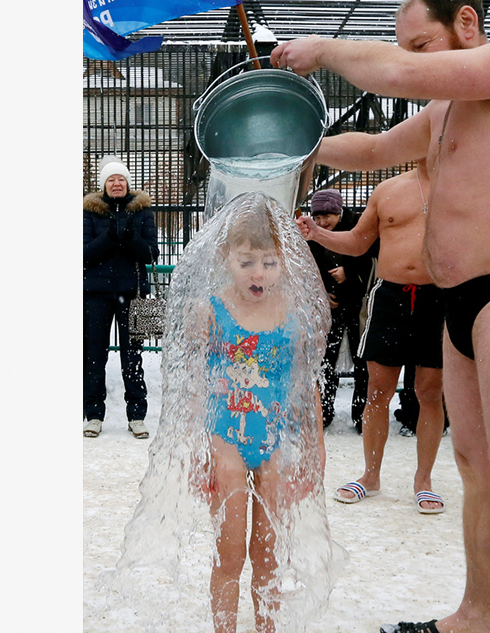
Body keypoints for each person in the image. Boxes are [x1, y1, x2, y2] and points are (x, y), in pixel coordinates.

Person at [274, 2, 490, 632]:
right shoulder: (446, 111)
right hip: (458, 297)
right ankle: (476, 616)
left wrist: (325, 50)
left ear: (466, 23)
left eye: (421, 45)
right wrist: (298, 145)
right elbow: (377, 148)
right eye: (405, 48)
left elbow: (393, 75)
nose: (413, 61)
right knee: (475, 465)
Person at [109, 192, 342, 632]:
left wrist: (316, 447)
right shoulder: (210, 312)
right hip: (225, 439)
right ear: (226, 258)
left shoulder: (292, 314)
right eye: (247, 261)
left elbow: (306, 384)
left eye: (270, 263)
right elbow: (192, 390)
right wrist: (197, 450)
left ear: (284, 262)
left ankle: (266, 627)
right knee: (230, 552)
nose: (259, 273)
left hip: (276, 440)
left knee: (269, 554)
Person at [297, 162, 447, 515]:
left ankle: (423, 480)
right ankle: (370, 475)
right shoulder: (389, 190)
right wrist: (317, 234)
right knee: (377, 390)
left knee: (429, 391)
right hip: (391, 295)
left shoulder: (460, 184)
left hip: (438, 296)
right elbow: (358, 241)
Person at [83, 155, 158, 439]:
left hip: (134, 293)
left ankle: (137, 415)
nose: (117, 184)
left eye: (121, 179)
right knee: (94, 356)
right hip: (96, 295)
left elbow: (152, 253)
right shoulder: (90, 212)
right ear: (104, 185)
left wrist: (129, 236)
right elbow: (84, 253)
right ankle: (93, 414)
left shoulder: (143, 212)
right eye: (111, 180)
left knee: (133, 357)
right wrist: (111, 236)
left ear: (128, 183)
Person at [307, 189, 374, 430]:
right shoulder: (313, 234)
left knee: (362, 360)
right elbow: (307, 267)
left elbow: (372, 255)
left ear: (339, 212)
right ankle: (323, 412)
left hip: (357, 304)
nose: (323, 223)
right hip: (330, 307)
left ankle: (361, 416)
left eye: (328, 216)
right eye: (318, 218)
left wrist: (350, 271)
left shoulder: (357, 226)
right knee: (326, 359)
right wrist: (323, 292)